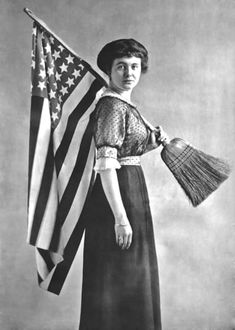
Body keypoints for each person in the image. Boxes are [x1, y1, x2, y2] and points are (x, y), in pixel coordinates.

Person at [79, 38, 169, 330]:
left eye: (135, 66)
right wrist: (120, 218)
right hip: (116, 198)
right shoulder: (111, 105)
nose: (129, 73)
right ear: (109, 70)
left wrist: (149, 144)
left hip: (132, 190)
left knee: (133, 278)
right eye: (121, 67)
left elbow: (124, 152)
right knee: (117, 278)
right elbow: (106, 165)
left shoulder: (123, 104)